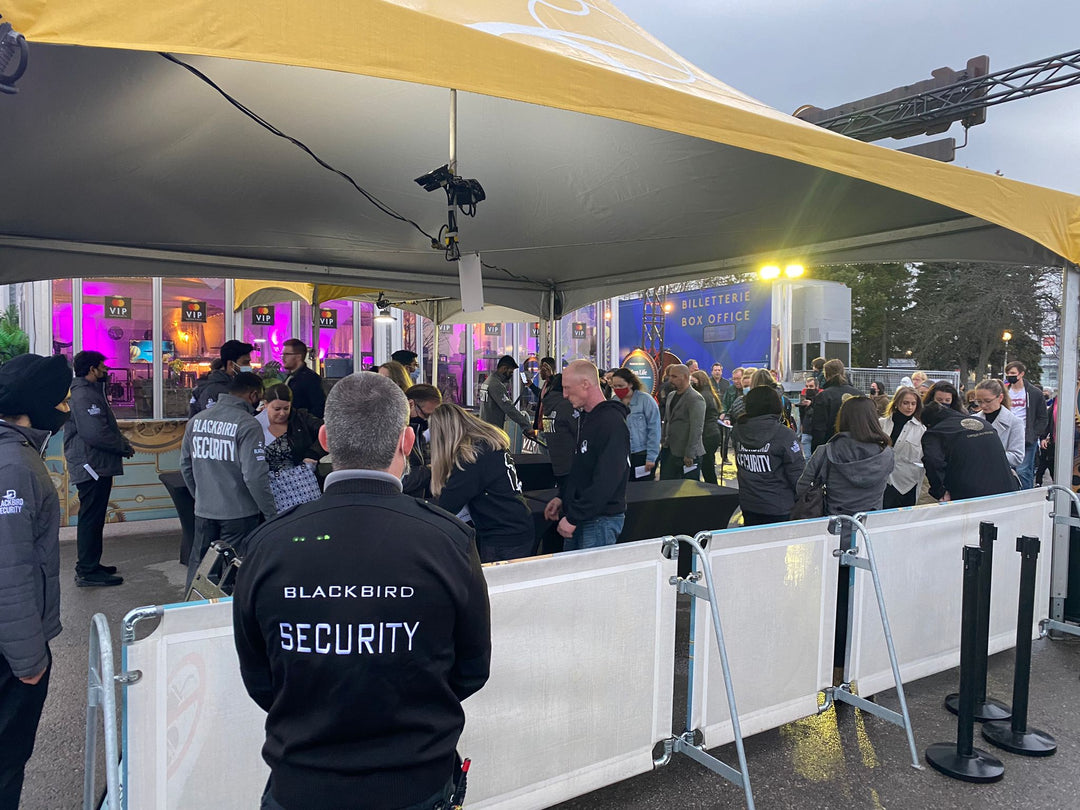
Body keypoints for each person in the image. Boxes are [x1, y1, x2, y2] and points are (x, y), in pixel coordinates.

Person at [232, 372, 490, 810]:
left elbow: (260, 676)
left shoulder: (268, 543)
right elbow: (471, 667)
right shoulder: (446, 539)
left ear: (326, 439)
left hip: (301, 780)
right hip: (416, 779)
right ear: (407, 441)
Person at [0, 354, 72, 810]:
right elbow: (10, 570)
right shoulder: (15, 467)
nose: (65, 409)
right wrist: (29, 660)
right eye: (59, 401)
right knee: (7, 761)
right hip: (11, 656)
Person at [180, 372, 277, 590]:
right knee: (232, 570)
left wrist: (201, 496)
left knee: (200, 567)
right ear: (253, 394)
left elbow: (185, 466)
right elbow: (254, 476)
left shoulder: (197, 421)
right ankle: (226, 617)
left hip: (204, 510)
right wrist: (270, 513)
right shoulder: (248, 425)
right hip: (240, 513)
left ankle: (190, 611)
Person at [429, 403, 534, 562]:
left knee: (495, 585)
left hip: (501, 536)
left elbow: (448, 503)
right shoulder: (489, 445)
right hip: (517, 525)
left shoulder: (473, 456)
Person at [64, 350, 134, 587]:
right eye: (102, 367)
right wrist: (122, 447)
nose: (106, 371)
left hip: (95, 463)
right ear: (92, 369)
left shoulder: (90, 392)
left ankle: (91, 564)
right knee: (91, 518)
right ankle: (87, 570)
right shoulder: (84, 395)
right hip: (91, 465)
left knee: (93, 517)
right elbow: (94, 433)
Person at [543, 361, 629, 550]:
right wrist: (563, 497)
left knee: (592, 578)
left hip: (600, 520)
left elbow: (607, 479)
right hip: (582, 514)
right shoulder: (585, 418)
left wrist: (574, 516)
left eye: (567, 388)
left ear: (585, 384)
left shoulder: (611, 423)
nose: (564, 395)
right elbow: (581, 468)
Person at [798, 396, 894, 515]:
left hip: (833, 523)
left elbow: (802, 487)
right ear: (873, 419)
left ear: (843, 417)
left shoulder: (826, 451)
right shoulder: (886, 453)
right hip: (869, 524)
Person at [730, 387, 805, 525]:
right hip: (778, 504)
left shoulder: (738, 430)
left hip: (749, 502)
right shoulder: (784, 434)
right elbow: (796, 473)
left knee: (754, 543)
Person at [921, 402, 1020, 502]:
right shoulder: (983, 423)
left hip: (969, 495)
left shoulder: (936, 433)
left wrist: (940, 491)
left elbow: (933, 461)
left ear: (929, 424)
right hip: (1007, 488)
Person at [256, 384, 327, 513]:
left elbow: (328, 432)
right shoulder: (253, 423)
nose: (282, 413)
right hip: (270, 490)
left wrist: (314, 453)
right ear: (265, 404)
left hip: (303, 487)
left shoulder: (301, 418)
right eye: (276, 409)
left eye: (286, 408)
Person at [1004, 361, 1049, 489]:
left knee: (1023, 471)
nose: (1009, 376)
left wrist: (1034, 434)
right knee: (1006, 469)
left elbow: (1042, 417)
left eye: (1013, 373)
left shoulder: (1034, 393)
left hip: (1026, 437)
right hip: (1007, 436)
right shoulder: (1005, 391)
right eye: (1008, 373)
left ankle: (1025, 497)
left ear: (1021, 374)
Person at [879, 386, 926, 508]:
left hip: (908, 482)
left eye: (913, 403)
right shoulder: (882, 423)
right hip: (883, 480)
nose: (909, 407)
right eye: (905, 403)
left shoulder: (922, 429)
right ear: (897, 403)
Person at [611, 367, 660, 482]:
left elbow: (654, 430)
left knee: (643, 490)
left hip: (642, 453)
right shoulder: (614, 401)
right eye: (614, 386)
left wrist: (651, 458)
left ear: (630, 384)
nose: (617, 389)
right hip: (622, 454)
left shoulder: (646, 400)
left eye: (621, 386)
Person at [658, 364, 705, 480]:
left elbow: (696, 428)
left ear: (684, 377)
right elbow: (667, 420)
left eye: (674, 376)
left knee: (688, 490)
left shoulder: (695, 398)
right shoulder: (671, 395)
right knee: (666, 486)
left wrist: (689, 454)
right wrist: (663, 440)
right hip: (669, 449)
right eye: (670, 376)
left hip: (687, 453)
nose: (670, 380)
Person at [189, 339, 255, 416]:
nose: (249, 366)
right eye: (245, 362)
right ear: (230, 364)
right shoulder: (215, 390)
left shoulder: (233, 384)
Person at [537, 370, 578, 493]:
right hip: (570, 463)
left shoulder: (549, 405)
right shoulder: (566, 406)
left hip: (555, 462)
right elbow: (579, 432)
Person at [972, 378, 1025, 469]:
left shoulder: (1015, 422)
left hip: (999, 474)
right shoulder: (973, 420)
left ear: (1000, 398)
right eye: (979, 402)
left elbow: (1017, 457)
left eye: (988, 401)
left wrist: (987, 454)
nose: (983, 405)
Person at [810, 359, 862, 451]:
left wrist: (816, 452)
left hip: (831, 447)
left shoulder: (823, 396)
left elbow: (818, 429)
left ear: (826, 375)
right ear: (843, 372)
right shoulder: (859, 394)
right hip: (857, 447)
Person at [479, 355, 535, 439]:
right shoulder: (496, 385)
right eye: (510, 372)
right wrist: (527, 426)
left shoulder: (488, 381)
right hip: (492, 432)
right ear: (504, 368)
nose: (511, 375)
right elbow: (509, 408)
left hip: (485, 429)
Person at [402, 384, 442, 499]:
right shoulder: (397, 434)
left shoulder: (417, 429)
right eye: (426, 415)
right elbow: (403, 480)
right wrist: (433, 469)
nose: (428, 420)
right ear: (410, 404)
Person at [691, 370, 724, 485]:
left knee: (707, 466)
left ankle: (713, 490)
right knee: (708, 465)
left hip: (706, 434)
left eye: (693, 381)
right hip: (713, 433)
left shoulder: (701, 396)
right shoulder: (711, 394)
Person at [282, 339, 326, 418]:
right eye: (283, 354)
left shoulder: (311, 379)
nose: (283, 358)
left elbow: (318, 407)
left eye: (287, 354)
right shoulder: (289, 377)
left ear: (298, 357)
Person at [797, 375, 818, 458]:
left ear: (816, 387)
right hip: (806, 430)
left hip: (816, 431)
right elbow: (801, 415)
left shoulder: (820, 398)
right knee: (807, 457)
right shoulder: (803, 397)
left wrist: (811, 404)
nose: (808, 388)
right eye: (807, 386)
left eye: (811, 386)